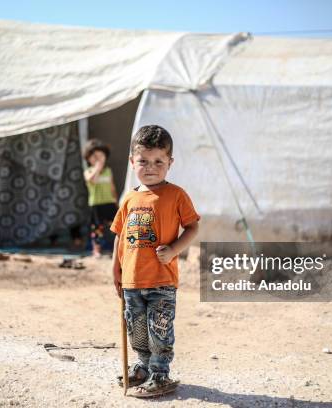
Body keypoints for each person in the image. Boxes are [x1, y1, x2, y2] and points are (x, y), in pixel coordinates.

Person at [110, 125, 200, 397]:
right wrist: (116, 268)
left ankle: (160, 374)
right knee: (136, 327)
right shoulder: (129, 198)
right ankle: (143, 366)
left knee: (158, 329)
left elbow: (193, 228)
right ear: (131, 162)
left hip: (161, 281)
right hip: (132, 280)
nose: (151, 167)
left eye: (159, 161)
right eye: (143, 161)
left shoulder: (176, 195)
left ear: (169, 163)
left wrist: (174, 250)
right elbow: (119, 235)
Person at [83, 139, 118, 258]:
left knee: (116, 226)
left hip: (109, 203)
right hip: (96, 205)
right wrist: (97, 169)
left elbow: (112, 187)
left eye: (100, 156)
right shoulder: (88, 171)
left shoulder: (108, 171)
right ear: (88, 158)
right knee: (97, 229)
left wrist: (116, 202)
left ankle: (119, 249)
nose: (98, 159)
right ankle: (96, 251)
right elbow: (91, 180)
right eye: (94, 156)